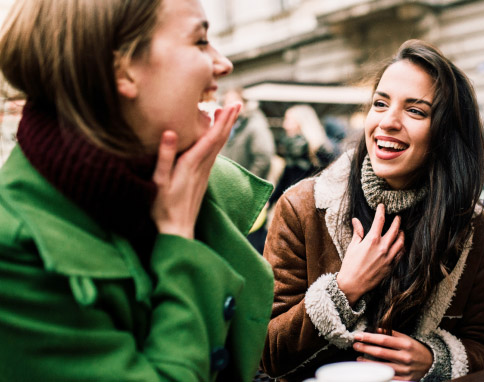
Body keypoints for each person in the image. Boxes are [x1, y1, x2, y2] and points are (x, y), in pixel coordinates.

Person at [0, 0, 274, 380]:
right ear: (121, 69)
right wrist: (180, 241)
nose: (222, 63)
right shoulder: (13, 248)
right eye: (199, 41)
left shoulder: (202, 185)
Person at [261, 39, 484, 381]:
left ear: (445, 134)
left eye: (415, 110)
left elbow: (483, 345)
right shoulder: (302, 207)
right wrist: (343, 290)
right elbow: (267, 353)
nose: (388, 121)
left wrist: (433, 360)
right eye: (380, 103)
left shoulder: (471, 225)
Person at [221, 88, 276, 253]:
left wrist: (246, 181)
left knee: (248, 241)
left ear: (243, 104)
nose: (228, 106)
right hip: (231, 191)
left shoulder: (254, 125)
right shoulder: (234, 125)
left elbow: (264, 157)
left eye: (233, 102)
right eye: (225, 102)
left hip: (245, 192)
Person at [269, 104, 335, 205]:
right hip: (293, 202)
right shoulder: (291, 147)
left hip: (310, 205)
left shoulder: (319, 149)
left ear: (302, 122)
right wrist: (270, 201)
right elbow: (286, 178)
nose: (285, 125)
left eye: (289, 120)